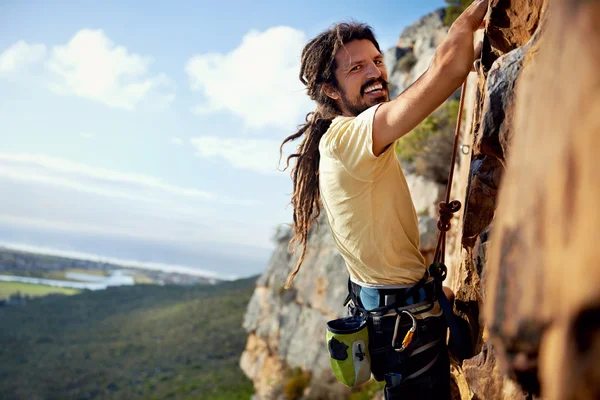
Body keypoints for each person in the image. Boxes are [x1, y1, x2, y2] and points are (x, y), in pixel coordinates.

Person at [279, 1, 487, 398]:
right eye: (356, 68)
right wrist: (467, 21)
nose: (375, 73)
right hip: (405, 335)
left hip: (398, 326)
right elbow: (446, 71)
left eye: (377, 61)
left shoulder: (353, 144)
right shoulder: (345, 139)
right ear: (329, 89)